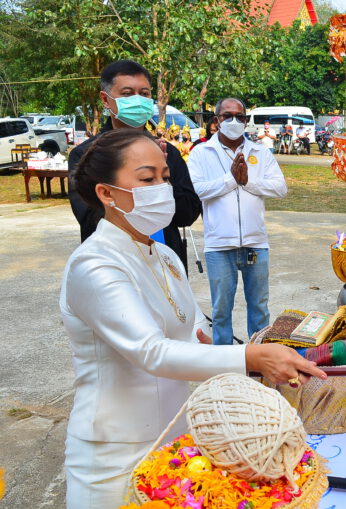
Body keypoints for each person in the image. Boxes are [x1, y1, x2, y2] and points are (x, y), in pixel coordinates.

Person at [61, 128, 324, 508]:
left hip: (175, 440)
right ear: (106, 193)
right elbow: (151, 351)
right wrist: (249, 359)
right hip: (113, 452)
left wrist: (256, 349)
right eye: (146, 178)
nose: (162, 189)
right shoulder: (95, 264)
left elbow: (193, 330)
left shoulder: (165, 256)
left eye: (165, 178)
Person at [67, 59, 201, 273]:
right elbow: (90, 219)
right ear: (106, 100)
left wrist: (162, 179)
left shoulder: (168, 153)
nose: (138, 100)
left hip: (167, 264)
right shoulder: (86, 156)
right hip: (116, 265)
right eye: (128, 94)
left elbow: (188, 215)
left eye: (145, 94)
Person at [187, 98, 288, 345]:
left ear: (246, 120)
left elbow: (280, 188)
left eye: (240, 116)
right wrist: (231, 180)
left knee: (259, 308)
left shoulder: (260, 152)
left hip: (255, 243)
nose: (234, 121)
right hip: (220, 245)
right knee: (221, 310)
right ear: (216, 121)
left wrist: (248, 182)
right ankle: (225, 362)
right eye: (227, 116)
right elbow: (197, 190)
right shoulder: (202, 152)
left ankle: (259, 359)